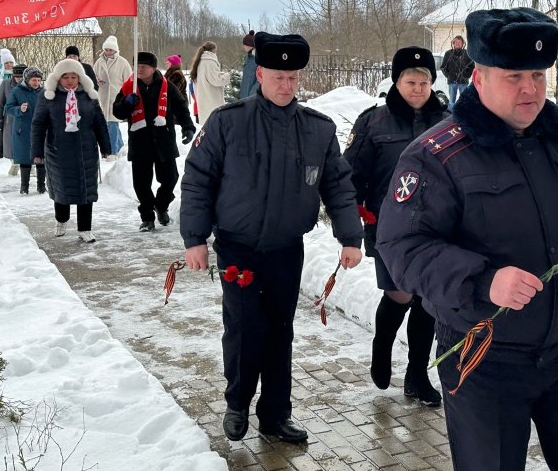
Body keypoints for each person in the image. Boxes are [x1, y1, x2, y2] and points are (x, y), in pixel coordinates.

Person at [376, 8, 558, 471]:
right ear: (479, 76)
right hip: (483, 355)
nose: (530, 89)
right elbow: (403, 247)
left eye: (538, 75)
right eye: (514, 76)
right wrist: (484, 280)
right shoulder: (436, 155)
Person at [180, 31, 364, 444]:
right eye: (277, 76)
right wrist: (195, 238)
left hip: (285, 250)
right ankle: (237, 404)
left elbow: (338, 186)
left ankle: (276, 414)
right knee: (244, 328)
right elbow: (197, 181)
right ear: (259, 73)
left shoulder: (318, 130)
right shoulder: (228, 122)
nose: (285, 85)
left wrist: (350, 237)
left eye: (292, 78)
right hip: (236, 247)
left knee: (280, 331)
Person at [344, 46, 448, 407]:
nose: (418, 88)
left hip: (437, 229)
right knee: (399, 294)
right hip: (388, 227)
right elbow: (351, 175)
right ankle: (382, 345)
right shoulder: (373, 122)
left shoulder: (448, 121)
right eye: (410, 81)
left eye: (424, 81)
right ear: (396, 81)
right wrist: (353, 222)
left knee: (427, 301)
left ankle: (417, 375)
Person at [112, 51, 195, 232]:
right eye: (137, 66)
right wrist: (126, 103)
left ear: (154, 68)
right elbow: (117, 112)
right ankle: (147, 217)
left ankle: (161, 205)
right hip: (140, 142)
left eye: (144, 66)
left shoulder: (168, 86)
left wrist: (188, 126)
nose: (139, 69)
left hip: (163, 140)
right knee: (142, 184)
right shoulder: (129, 88)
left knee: (170, 178)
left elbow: (181, 108)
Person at [31, 59, 110, 243]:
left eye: (73, 76)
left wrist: (106, 147)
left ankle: (85, 228)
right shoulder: (48, 96)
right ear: (58, 78)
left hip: (86, 150)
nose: (70, 80)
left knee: (86, 191)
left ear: (80, 77)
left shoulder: (89, 95)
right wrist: (37, 152)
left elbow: (99, 123)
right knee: (62, 191)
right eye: (65, 77)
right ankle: (61, 220)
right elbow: (38, 125)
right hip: (58, 152)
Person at [5, 67, 45, 195]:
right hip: (23, 130)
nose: (36, 83)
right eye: (34, 80)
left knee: (41, 157)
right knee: (25, 158)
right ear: (27, 79)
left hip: (40, 130)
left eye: (39, 80)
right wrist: (19, 110)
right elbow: (8, 108)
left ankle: (41, 186)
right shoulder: (17, 91)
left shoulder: (44, 91)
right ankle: (24, 187)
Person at [93, 35, 132, 160]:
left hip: (117, 97)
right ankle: (119, 146)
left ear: (116, 50)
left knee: (112, 123)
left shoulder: (123, 62)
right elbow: (93, 76)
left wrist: (126, 96)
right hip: (103, 96)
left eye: (111, 50)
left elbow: (128, 80)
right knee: (109, 122)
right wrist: (97, 80)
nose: (108, 52)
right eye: (106, 49)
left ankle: (112, 151)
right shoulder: (99, 62)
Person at [190, 41, 231, 126]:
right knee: (215, 126)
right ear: (213, 50)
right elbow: (216, 80)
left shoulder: (199, 61)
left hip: (203, 99)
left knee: (207, 128)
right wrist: (227, 75)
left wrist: (220, 74)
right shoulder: (210, 61)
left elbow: (207, 77)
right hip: (211, 100)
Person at [0, 63, 25, 175]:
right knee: (11, 142)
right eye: (16, 76)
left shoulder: (32, 83)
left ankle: (30, 164)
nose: (18, 79)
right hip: (10, 119)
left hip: (27, 118)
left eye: (21, 76)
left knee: (28, 141)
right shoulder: (6, 84)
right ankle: (14, 163)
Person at [439, 35, 473, 110]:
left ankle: (463, 115)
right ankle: (451, 116)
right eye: (456, 42)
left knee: (464, 100)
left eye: (459, 42)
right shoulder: (448, 53)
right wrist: (448, 75)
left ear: (462, 43)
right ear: (453, 43)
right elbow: (443, 67)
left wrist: (467, 75)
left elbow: (472, 65)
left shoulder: (466, 53)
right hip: (452, 81)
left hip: (463, 81)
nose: (458, 43)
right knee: (452, 101)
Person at [239, 30, 257, 99]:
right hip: (244, 96)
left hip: (252, 98)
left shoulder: (258, 58)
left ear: (250, 45)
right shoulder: (247, 57)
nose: (243, 46)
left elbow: (261, 80)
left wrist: (252, 94)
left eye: (245, 45)